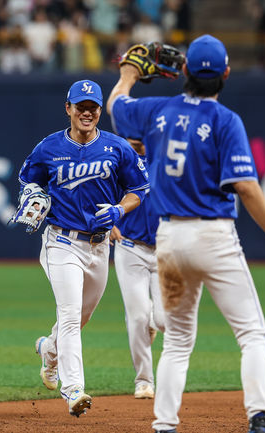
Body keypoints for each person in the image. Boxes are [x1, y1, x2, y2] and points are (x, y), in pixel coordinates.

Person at [107, 35, 265, 433]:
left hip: (170, 240)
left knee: (176, 342)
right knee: (252, 334)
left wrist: (128, 73)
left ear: (185, 71)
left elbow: (116, 105)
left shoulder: (157, 111)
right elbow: (245, 186)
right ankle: (259, 418)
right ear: (226, 74)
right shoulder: (226, 121)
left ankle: (164, 424)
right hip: (213, 238)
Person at [17, 80, 149, 416]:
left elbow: (139, 188)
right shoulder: (48, 147)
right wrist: (32, 193)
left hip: (100, 245)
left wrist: (121, 209)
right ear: (68, 109)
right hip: (61, 242)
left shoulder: (118, 148)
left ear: (99, 110)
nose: (86, 112)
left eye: (92, 107)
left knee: (81, 317)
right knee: (71, 316)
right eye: (81, 106)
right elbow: (27, 178)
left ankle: (49, 350)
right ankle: (73, 388)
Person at [109, 142, 165, 400]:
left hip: (167, 249)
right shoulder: (117, 158)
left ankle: (154, 321)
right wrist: (108, 223)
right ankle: (144, 380)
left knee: (164, 320)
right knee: (137, 316)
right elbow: (98, 190)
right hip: (129, 246)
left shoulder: (165, 158)